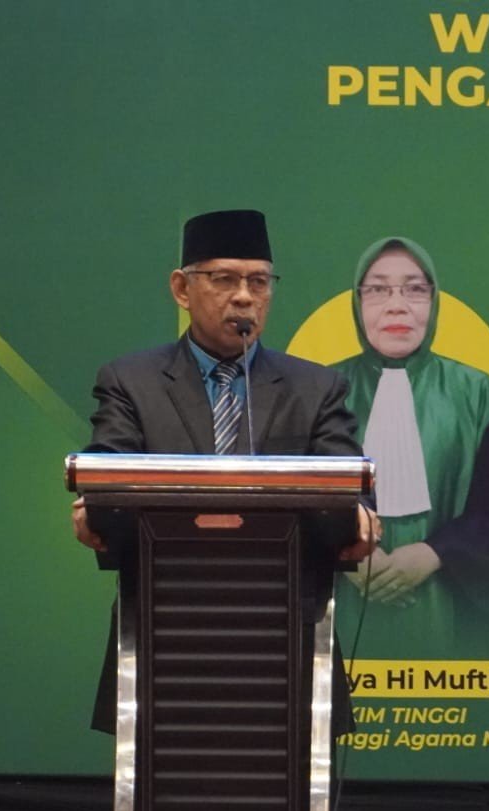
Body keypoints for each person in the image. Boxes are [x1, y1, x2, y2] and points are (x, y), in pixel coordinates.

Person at [72, 209, 379, 732]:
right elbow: (110, 478)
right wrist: (93, 508)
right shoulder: (131, 382)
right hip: (165, 630)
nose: (244, 297)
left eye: (259, 282)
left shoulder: (316, 389)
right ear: (182, 288)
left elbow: (346, 489)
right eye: (224, 279)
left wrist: (362, 518)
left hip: (285, 633)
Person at [330, 237, 489, 659]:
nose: (396, 306)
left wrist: (434, 552)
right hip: (341, 608)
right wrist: (346, 552)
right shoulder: (320, 391)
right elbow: (291, 501)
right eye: (378, 289)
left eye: (414, 289)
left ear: (434, 301)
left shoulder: (478, 395)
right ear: (357, 303)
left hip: (448, 610)